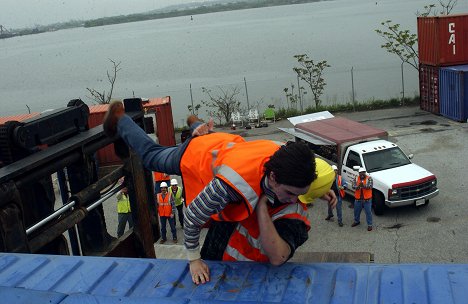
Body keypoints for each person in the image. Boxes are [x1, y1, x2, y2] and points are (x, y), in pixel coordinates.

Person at [103, 101, 336, 285]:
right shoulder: (231, 188)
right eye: (290, 194)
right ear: (273, 178)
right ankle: (119, 118)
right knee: (152, 156)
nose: (293, 201)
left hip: (225, 145)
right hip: (197, 154)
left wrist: (318, 190)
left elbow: (304, 168)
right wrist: (194, 259)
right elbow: (192, 217)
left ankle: (197, 126)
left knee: (205, 136)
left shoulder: (283, 157)